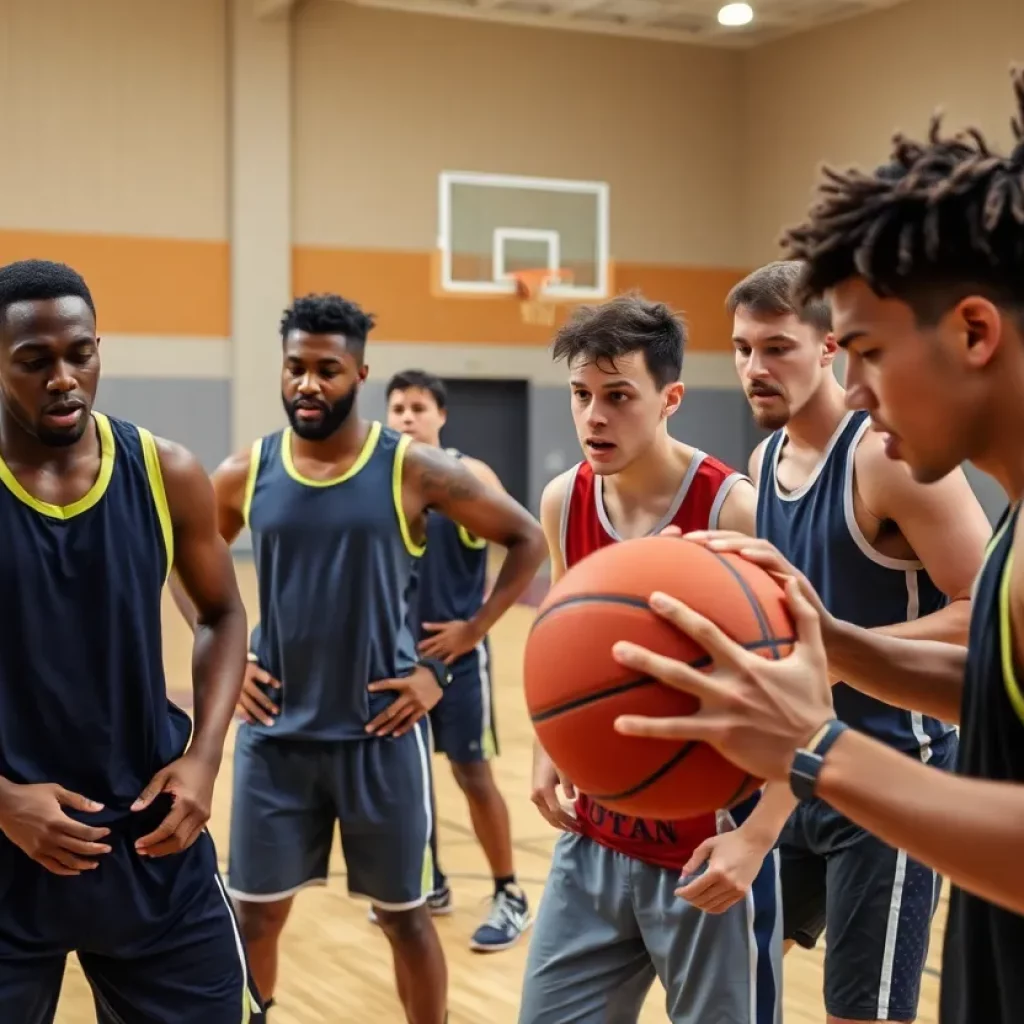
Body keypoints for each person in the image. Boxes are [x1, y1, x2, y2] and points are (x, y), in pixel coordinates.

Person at [611, 68, 1024, 1024]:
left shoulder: (903, 475)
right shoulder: (1011, 530)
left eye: (868, 351)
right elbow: (993, 698)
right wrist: (827, 644)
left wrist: (816, 746)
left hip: (888, 786)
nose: (859, 388)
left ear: (971, 331)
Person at [187, 294, 546, 1023]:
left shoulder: (413, 468)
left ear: (359, 372)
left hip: (379, 736)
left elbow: (528, 538)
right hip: (276, 737)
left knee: (405, 919)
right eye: (295, 368)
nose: (308, 384)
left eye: (327, 369)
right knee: (255, 916)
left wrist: (459, 646)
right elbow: (183, 554)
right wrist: (224, 646)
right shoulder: (245, 471)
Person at [725, 259, 989, 1024]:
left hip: (891, 775)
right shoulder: (764, 462)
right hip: (798, 768)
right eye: (742, 349)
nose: (754, 367)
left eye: (776, 347)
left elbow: (984, 607)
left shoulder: (885, 457)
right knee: (732, 979)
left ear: (830, 349)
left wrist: (834, 650)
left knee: (862, 1016)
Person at [0, 259, 262, 1023]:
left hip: (150, 840)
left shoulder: (164, 470)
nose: (63, 378)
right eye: (33, 361)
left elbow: (220, 614)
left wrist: (206, 757)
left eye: (79, 353)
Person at [521, 293, 789, 1024]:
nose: (594, 417)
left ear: (670, 398)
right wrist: (552, 741)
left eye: (618, 396)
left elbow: (812, 690)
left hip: (712, 849)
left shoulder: (734, 509)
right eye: (581, 395)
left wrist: (760, 839)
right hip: (594, 839)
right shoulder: (562, 500)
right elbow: (562, 639)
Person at [385, 369, 530, 952]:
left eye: (418, 406)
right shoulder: (382, 477)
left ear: (441, 416)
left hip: (460, 658)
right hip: (398, 660)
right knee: (407, 778)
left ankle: (509, 892)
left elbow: (525, 543)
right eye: (397, 407)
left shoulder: (470, 475)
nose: (406, 417)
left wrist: (475, 628)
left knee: (473, 775)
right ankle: (432, 883)